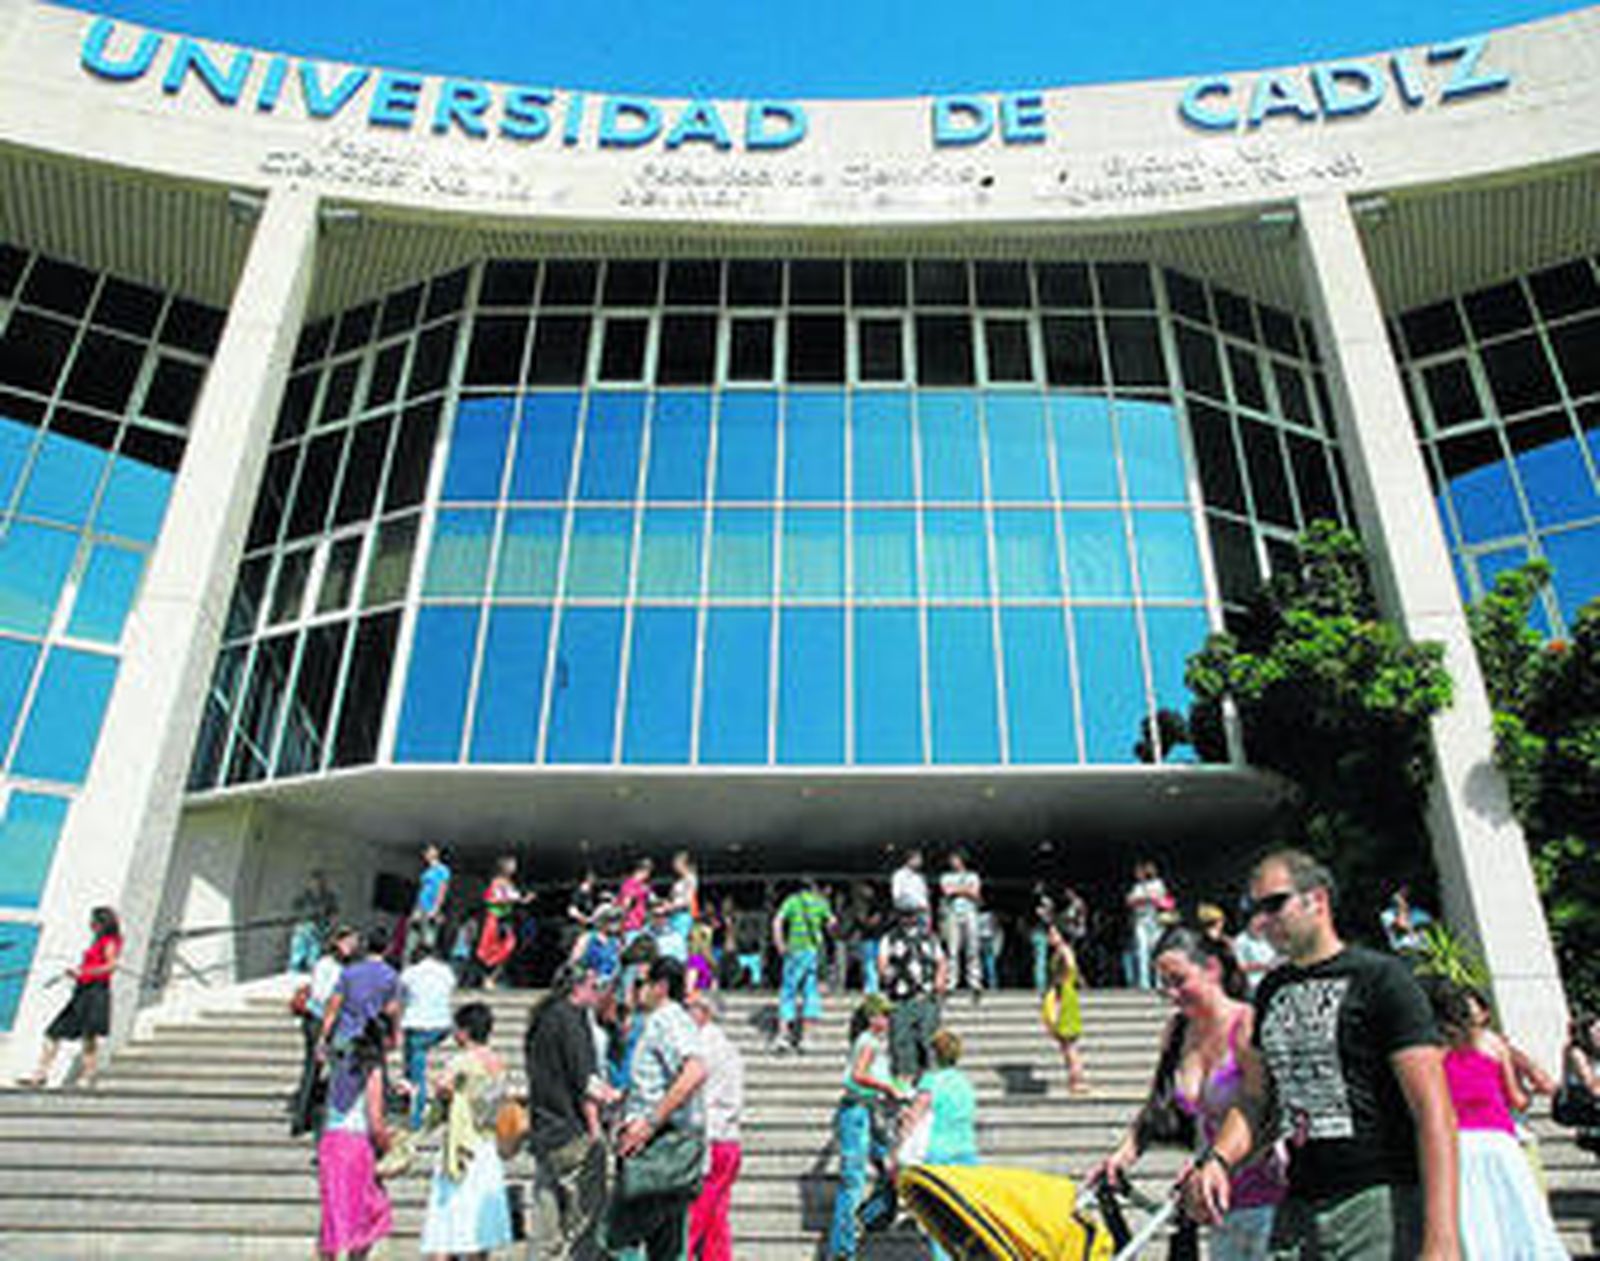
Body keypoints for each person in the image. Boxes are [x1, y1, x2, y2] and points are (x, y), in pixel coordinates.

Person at [1183, 849, 1460, 1260]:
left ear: (1317, 899)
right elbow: (1257, 1098)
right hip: (1299, 1199)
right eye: (1255, 909)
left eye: (1274, 904)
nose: (1262, 920)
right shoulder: (1272, 989)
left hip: (1379, 1199)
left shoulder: (1382, 979)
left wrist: (1442, 1238)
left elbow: (1434, 1113)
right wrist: (1218, 1160)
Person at [1093, 925, 1284, 1260]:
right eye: (1163, 983)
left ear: (1212, 969)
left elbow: (1266, 1114)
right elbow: (1157, 1105)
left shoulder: (1248, 1025)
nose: (1170, 993)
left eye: (1179, 980)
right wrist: (1120, 1158)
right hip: (1219, 1207)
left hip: (1272, 1201)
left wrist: (1215, 1164)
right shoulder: (1177, 1031)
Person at [1425, 978, 1567, 1259]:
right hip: (1498, 1140)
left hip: (1455, 1145)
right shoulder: (1493, 1043)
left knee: (1474, 1225)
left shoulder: (1429, 1050)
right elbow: (1516, 1099)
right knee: (1520, 1220)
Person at [606, 956, 708, 1261]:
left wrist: (650, 1121)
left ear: (660, 987)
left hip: (657, 1145)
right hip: (666, 1142)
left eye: (641, 983)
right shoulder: (670, 1020)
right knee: (667, 1241)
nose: (636, 991)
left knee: (621, 1237)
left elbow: (694, 1070)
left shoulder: (667, 1019)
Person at [526, 964, 614, 1260]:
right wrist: (598, 1127)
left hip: (544, 1129)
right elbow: (585, 1081)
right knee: (585, 1221)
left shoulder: (543, 1019)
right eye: (594, 986)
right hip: (571, 1131)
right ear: (578, 988)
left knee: (545, 1222)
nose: (598, 992)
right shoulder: (572, 1020)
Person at [420, 1001, 515, 1260]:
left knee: (447, 1223)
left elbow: (442, 1091)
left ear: (464, 1031)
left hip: (461, 1146)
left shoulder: (461, 1062)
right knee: (480, 1228)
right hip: (487, 1146)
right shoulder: (498, 1063)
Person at [828, 994, 910, 1261]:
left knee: (891, 1168)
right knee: (853, 1181)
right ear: (873, 1018)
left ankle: (867, 1218)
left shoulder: (872, 1042)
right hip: (857, 1113)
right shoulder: (868, 1042)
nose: (888, 1020)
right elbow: (858, 1075)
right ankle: (842, 1249)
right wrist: (888, 1087)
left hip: (869, 1112)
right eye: (884, 1015)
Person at [18, 906, 122, 1089]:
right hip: (82, 990)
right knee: (53, 1032)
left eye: (93, 922)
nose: (90, 925)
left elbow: (111, 966)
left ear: (102, 923)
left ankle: (87, 1077)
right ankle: (40, 1074)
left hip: (96, 991)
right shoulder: (97, 941)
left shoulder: (110, 941)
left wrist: (84, 971)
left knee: (89, 1036)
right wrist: (76, 973)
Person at [898, 1028, 979, 1261]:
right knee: (962, 1218)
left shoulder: (931, 1081)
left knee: (939, 1220)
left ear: (935, 1053)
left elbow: (914, 1116)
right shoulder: (965, 1083)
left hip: (938, 1155)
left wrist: (900, 1146)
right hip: (966, 1153)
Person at [316, 1021, 393, 1261]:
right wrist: (388, 1145)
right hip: (355, 1144)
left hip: (330, 1142)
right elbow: (375, 1120)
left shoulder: (338, 1065)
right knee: (367, 1212)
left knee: (333, 1216)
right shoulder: (373, 1070)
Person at [686, 988, 745, 1261]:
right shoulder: (729, 1048)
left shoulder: (702, 1047)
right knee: (716, 1219)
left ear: (704, 1012)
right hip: (728, 1139)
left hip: (709, 1136)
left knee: (694, 1219)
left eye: (691, 1007)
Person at [291, 924, 357, 1137]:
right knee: (313, 1068)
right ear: (337, 942)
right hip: (318, 1019)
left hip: (332, 1019)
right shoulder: (325, 965)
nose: (353, 946)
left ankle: (316, 1116)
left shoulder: (345, 966)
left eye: (354, 942)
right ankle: (301, 1119)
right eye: (349, 941)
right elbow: (321, 994)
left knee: (327, 1069)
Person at [879, 905, 947, 1080]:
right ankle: (904, 1078)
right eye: (904, 916)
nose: (908, 920)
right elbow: (882, 961)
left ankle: (928, 1078)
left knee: (928, 1039)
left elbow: (941, 961)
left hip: (925, 995)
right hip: (900, 996)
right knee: (901, 1040)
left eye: (911, 916)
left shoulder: (930, 938)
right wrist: (886, 974)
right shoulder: (890, 938)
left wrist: (940, 980)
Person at [771, 876, 835, 1054]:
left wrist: (780, 944)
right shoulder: (820, 902)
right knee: (810, 991)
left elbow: (777, 921)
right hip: (813, 951)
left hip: (795, 950)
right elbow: (832, 923)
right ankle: (806, 1038)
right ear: (813, 888)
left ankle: (783, 1036)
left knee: (788, 991)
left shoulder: (791, 901)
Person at [399, 940, 457, 1129]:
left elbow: (401, 996)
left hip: (418, 1024)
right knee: (414, 1058)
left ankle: (416, 1116)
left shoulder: (410, 973)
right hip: (442, 1024)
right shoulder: (446, 971)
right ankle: (409, 1088)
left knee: (417, 1072)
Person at [319, 924, 400, 1054]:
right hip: (372, 1036)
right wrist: (395, 1034)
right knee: (373, 1071)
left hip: (346, 1033)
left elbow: (334, 1006)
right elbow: (391, 1009)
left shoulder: (349, 972)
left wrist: (324, 1037)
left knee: (341, 1071)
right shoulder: (391, 976)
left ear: (366, 946)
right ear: (388, 948)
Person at [1041, 917, 1090, 1095]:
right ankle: (1074, 1079)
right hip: (1065, 993)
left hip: (1065, 996)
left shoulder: (1064, 951)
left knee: (1069, 1044)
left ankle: (1078, 1080)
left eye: (1053, 933)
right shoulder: (1059, 952)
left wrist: (1061, 981)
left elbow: (1070, 967)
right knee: (1066, 1044)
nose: (1050, 936)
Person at [476, 855, 529, 989]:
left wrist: (524, 899)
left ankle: (490, 977)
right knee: (496, 948)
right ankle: (488, 977)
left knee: (508, 948)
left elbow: (513, 898)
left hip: (505, 918)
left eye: (514, 865)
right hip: (496, 918)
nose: (514, 868)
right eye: (511, 865)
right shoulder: (497, 882)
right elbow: (490, 899)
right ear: (503, 867)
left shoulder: (509, 882)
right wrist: (509, 899)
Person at [939, 851, 983, 1001]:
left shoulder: (973, 876)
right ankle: (951, 983)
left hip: (970, 913)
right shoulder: (946, 877)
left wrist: (958, 890)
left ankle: (975, 983)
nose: (953, 862)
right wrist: (965, 890)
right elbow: (946, 891)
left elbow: (976, 894)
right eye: (952, 859)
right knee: (952, 950)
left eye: (955, 859)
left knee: (973, 949)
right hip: (952, 914)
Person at [1124, 860, 1172, 990]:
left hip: (1155, 921)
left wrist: (1142, 899)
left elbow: (1160, 899)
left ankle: (1159, 981)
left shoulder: (1158, 884)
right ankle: (1143, 982)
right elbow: (1129, 901)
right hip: (1141, 921)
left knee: (1156, 951)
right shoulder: (1137, 887)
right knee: (1141, 950)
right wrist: (1145, 898)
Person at [1560, 1012, 1600, 1155]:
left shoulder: (1595, 1053)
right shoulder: (1576, 1052)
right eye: (1597, 1031)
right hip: (1585, 1110)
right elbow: (1591, 1084)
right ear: (1585, 1033)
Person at [290, 871, 339, 973]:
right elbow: (296, 910)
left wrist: (330, 930)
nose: (317, 884)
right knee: (296, 958)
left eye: (320, 881)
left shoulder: (329, 897)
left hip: (319, 930)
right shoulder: (304, 896)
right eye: (314, 882)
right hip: (304, 929)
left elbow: (334, 914)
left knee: (313, 959)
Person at [411, 844, 452, 953]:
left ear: (436, 853)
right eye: (426, 852)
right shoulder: (426, 872)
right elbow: (421, 891)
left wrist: (436, 908)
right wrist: (417, 909)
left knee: (428, 941)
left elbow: (443, 889)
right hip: (421, 907)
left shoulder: (443, 870)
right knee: (414, 940)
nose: (427, 854)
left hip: (431, 909)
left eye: (429, 851)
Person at [1231, 909, 1281, 997]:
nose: (1261, 922)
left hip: (1274, 982)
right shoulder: (1241, 940)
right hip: (1255, 986)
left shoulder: (1268, 937)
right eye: (1257, 918)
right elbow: (1241, 966)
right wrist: (1264, 966)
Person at [1380, 884, 1434, 959]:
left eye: (1406, 895)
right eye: (1401, 895)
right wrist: (1402, 908)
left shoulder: (1421, 914)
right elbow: (1401, 926)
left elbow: (1428, 926)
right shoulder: (1387, 915)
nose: (1404, 898)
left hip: (1422, 952)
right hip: (1403, 953)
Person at [851, 882, 884, 996]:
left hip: (872, 938)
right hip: (868, 938)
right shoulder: (862, 906)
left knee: (870, 963)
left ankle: (872, 987)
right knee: (868, 963)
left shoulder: (874, 906)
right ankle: (871, 986)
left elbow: (867, 922)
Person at [617, 858, 655, 940]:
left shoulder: (642, 886)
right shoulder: (630, 884)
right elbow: (625, 906)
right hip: (630, 926)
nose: (649, 875)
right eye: (648, 871)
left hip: (640, 925)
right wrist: (622, 927)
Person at [667, 850, 699, 945]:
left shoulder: (690, 878)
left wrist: (671, 906)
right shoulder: (681, 880)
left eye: (676, 862)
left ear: (683, 863)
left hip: (682, 915)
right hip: (675, 914)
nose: (674, 865)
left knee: (679, 942)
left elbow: (687, 900)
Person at [890, 849, 929, 923]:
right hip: (907, 915)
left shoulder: (920, 877)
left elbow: (924, 896)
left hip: (922, 915)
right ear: (909, 860)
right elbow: (897, 897)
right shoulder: (899, 875)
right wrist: (913, 906)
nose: (920, 861)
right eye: (918, 859)